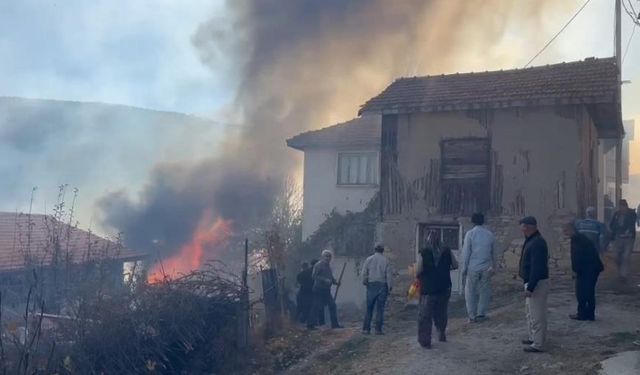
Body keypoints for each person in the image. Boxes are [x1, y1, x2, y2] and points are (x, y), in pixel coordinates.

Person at [416, 231, 458, 349]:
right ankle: (441, 333)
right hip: (444, 287)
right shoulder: (447, 250)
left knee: (425, 315)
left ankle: (425, 341)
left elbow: (419, 269)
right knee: (441, 312)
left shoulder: (424, 252)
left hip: (428, 288)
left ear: (427, 240)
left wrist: (418, 274)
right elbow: (455, 265)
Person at [518, 216, 549, 353]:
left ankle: (538, 343)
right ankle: (533, 337)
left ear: (528, 227)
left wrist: (531, 286)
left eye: (522, 226)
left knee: (537, 314)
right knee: (530, 313)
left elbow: (537, 267)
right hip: (531, 281)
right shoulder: (532, 240)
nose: (521, 229)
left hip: (536, 283)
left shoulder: (537, 243)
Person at [563, 222, 604, 321]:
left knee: (582, 292)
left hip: (588, 269)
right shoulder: (580, 238)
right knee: (588, 292)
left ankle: (583, 314)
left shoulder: (577, 239)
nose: (564, 233)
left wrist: (575, 270)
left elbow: (577, 256)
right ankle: (589, 314)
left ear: (571, 230)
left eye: (565, 231)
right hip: (591, 268)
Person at [461, 212, 497, 323]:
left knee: (470, 292)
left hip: (473, 267)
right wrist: (493, 266)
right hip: (486, 267)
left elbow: (466, 252)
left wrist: (464, 268)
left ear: (473, 221)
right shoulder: (489, 234)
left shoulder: (470, 234)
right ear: (483, 221)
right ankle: (481, 314)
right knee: (484, 291)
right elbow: (494, 253)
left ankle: (472, 316)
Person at [361, 244, 393, 335]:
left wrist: (365, 282)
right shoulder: (386, 260)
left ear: (375, 250)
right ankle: (378, 330)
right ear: (382, 250)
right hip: (382, 285)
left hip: (371, 284)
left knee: (369, 308)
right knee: (380, 309)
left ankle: (366, 329)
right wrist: (389, 287)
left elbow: (364, 272)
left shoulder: (369, 259)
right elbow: (389, 275)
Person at [307, 250, 342, 330]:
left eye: (329, 256)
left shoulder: (328, 267)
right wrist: (324, 280)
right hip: (318, 289)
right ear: (322, 257)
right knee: (316, 307)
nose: (328, 258)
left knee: (332, 305)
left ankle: (335, 324)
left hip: (326, 290)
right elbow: (314, 276)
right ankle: (310, 324)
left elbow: (330, 277)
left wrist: (335, 282)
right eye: (326, 256)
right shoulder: (318, 265)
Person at [609, 199, 637, 282]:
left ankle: (623, 275)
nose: (622, 209)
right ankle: (621, 270)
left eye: (623, 207)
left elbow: (632, 223)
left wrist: (628, 230)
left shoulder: (632, 214)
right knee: (615, 256)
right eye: (620, 207)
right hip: (618, 237)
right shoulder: (616, 214)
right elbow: (612, 225)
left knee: (626, 256)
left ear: (626, 206)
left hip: (629, 238)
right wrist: (614, 231)